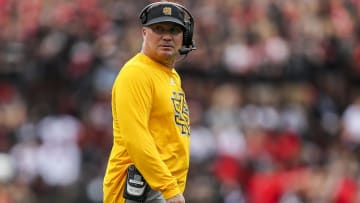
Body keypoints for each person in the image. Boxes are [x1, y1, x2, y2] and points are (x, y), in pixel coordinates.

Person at [103, 1, 196, 203]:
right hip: (140, 190)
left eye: (174, 30)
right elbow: (136, 137)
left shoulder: (170, 76)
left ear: (185, 37)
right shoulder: (136, 73)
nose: (167, 36)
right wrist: (169, 188)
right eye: (158, 29)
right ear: (144, 33)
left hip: (158, 188)